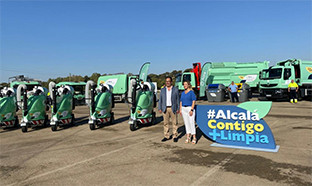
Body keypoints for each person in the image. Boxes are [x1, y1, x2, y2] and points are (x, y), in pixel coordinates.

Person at [158, 76, 180, 142]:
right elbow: (160, 100)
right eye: (166, 81)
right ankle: (166, 136)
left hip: (173, 108)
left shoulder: (175, 89)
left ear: (171, 82)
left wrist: (178, 108)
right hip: (165, 108)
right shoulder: (163, 90)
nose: (167, 82)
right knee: (165, 123)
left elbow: (177, 100)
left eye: (168, 81)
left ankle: (175, 136)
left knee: (175, 123)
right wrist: (159, 108)